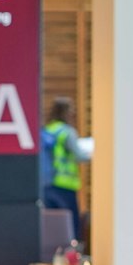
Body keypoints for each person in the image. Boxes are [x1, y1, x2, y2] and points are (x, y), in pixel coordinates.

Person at [39, 98, 85, 240]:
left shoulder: (47, 130)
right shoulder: (67, 132)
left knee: (52, 225)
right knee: (70, 226)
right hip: (64, 185)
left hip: (46, 184)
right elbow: (80, 156)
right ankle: (70, 256)